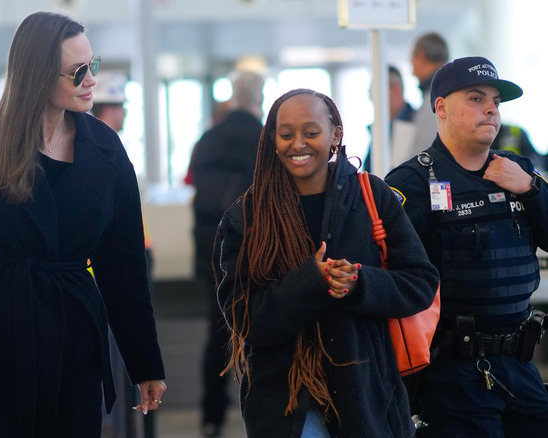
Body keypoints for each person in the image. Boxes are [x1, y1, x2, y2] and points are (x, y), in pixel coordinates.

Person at [0, 11, 167, 437]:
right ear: (38, 75)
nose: (91, 80)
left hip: (74, 335)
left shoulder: (105, 149)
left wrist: (144, 363)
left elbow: (124, 267)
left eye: (92, 65)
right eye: (78, 72)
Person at [215, 88, 439, 437]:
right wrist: (309, 282)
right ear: (272, 138)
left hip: (367, 400)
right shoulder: (247, 216)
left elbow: (420, 283)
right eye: (286, 134)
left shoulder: (373, 196)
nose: (297, 144)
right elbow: (242, 316)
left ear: (336, 134)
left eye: (311, 132)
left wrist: (360, 284)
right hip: (286, 407)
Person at [385, 56, 548, 437]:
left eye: (495, 100)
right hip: (453, 373)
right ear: (440, 107)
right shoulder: (411, 183)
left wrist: (532, 189)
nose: (491, 108)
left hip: (521, 366)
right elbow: (393, 281)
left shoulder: (518, 171)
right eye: (476, 98)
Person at [189, 69, 264, 437]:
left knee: (217, 331)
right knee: (262, 329)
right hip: (255, 249)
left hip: (210, 250)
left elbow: (193, 186)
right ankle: (263, 414)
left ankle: (210, 418)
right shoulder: (265, 139)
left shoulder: (208, 138)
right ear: (260, 98)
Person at [91, 70, 152, 438]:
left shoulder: (102, 149)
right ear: (107, 108)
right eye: (121, 106)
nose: (125, 114)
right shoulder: (99, 150)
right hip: (96, 278)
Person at [401, 32, 449, 165]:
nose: (412, 72)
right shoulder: (447, 94)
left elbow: (422, 150)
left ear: (421, 56)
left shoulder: (435, 101)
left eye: (412, 63)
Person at [364, 65, 416, 172]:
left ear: (395, 90)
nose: (371, 97)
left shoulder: (417, 123)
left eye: (375, 91)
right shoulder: (381, 129)